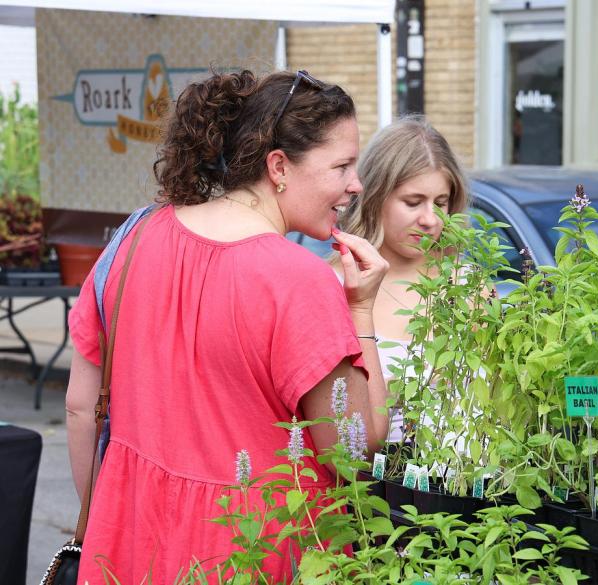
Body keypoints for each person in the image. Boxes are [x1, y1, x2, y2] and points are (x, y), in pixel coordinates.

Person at [65, 69, 389, 584]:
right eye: (343, 166)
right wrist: (362, 312)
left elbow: (82, 406)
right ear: (278, 166)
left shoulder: (134, 236)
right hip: (252, 552)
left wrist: (104, 527)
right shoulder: (299, 280)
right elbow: (353, 447)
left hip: (127, 545)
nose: (356, 185)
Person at [335, 116, 469, 441]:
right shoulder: (338, 284)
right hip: (373, 484)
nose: (429, 219)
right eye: (412, 202)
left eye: (441, 203)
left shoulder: (467, 284)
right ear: (375, 196)